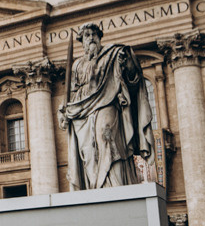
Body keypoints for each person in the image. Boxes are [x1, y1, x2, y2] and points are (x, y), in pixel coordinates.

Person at [58, 24, 154, 191]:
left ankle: (114, 185)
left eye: (94, 34)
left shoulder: (114, 54)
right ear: (82, 41)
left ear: (100, 37)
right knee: (88, 152)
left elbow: (133, 78)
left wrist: (128, 64)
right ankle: (95, 187)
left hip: (107, 102)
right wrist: (65, 110)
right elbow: (72, 92)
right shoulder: (77, 65)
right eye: (87, 35)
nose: (91, 38)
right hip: (83, 111)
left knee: (106, 135)